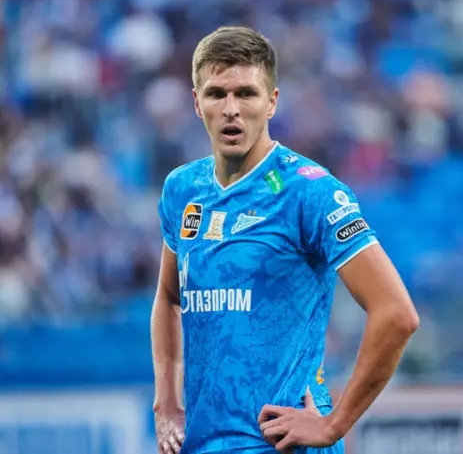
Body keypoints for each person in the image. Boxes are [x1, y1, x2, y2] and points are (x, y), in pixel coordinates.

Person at [151, 26, 419, 454]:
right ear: (197, 103)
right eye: (217, 94)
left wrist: (334, 424)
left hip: (281, 444)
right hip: (204, 444)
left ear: (272, 102)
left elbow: (397, 313)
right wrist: (166, 402)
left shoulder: (309, 191)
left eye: (247, 94)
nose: (231, 109)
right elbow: (169, 297)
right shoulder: (182, 189)